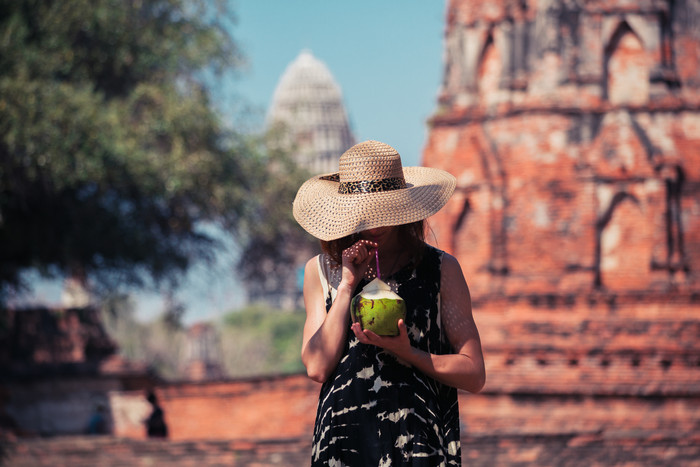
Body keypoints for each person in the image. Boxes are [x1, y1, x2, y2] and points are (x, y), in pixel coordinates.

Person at [293, 140, 486, 465]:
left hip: (415, 440)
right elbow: (317, 366)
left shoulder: (440, 269)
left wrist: (408, 352)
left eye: (384, 208)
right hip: (343, 442)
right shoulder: (322, 270)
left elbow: (474, 372)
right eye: (364, 210)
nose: (374, 221)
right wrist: (347, 286)